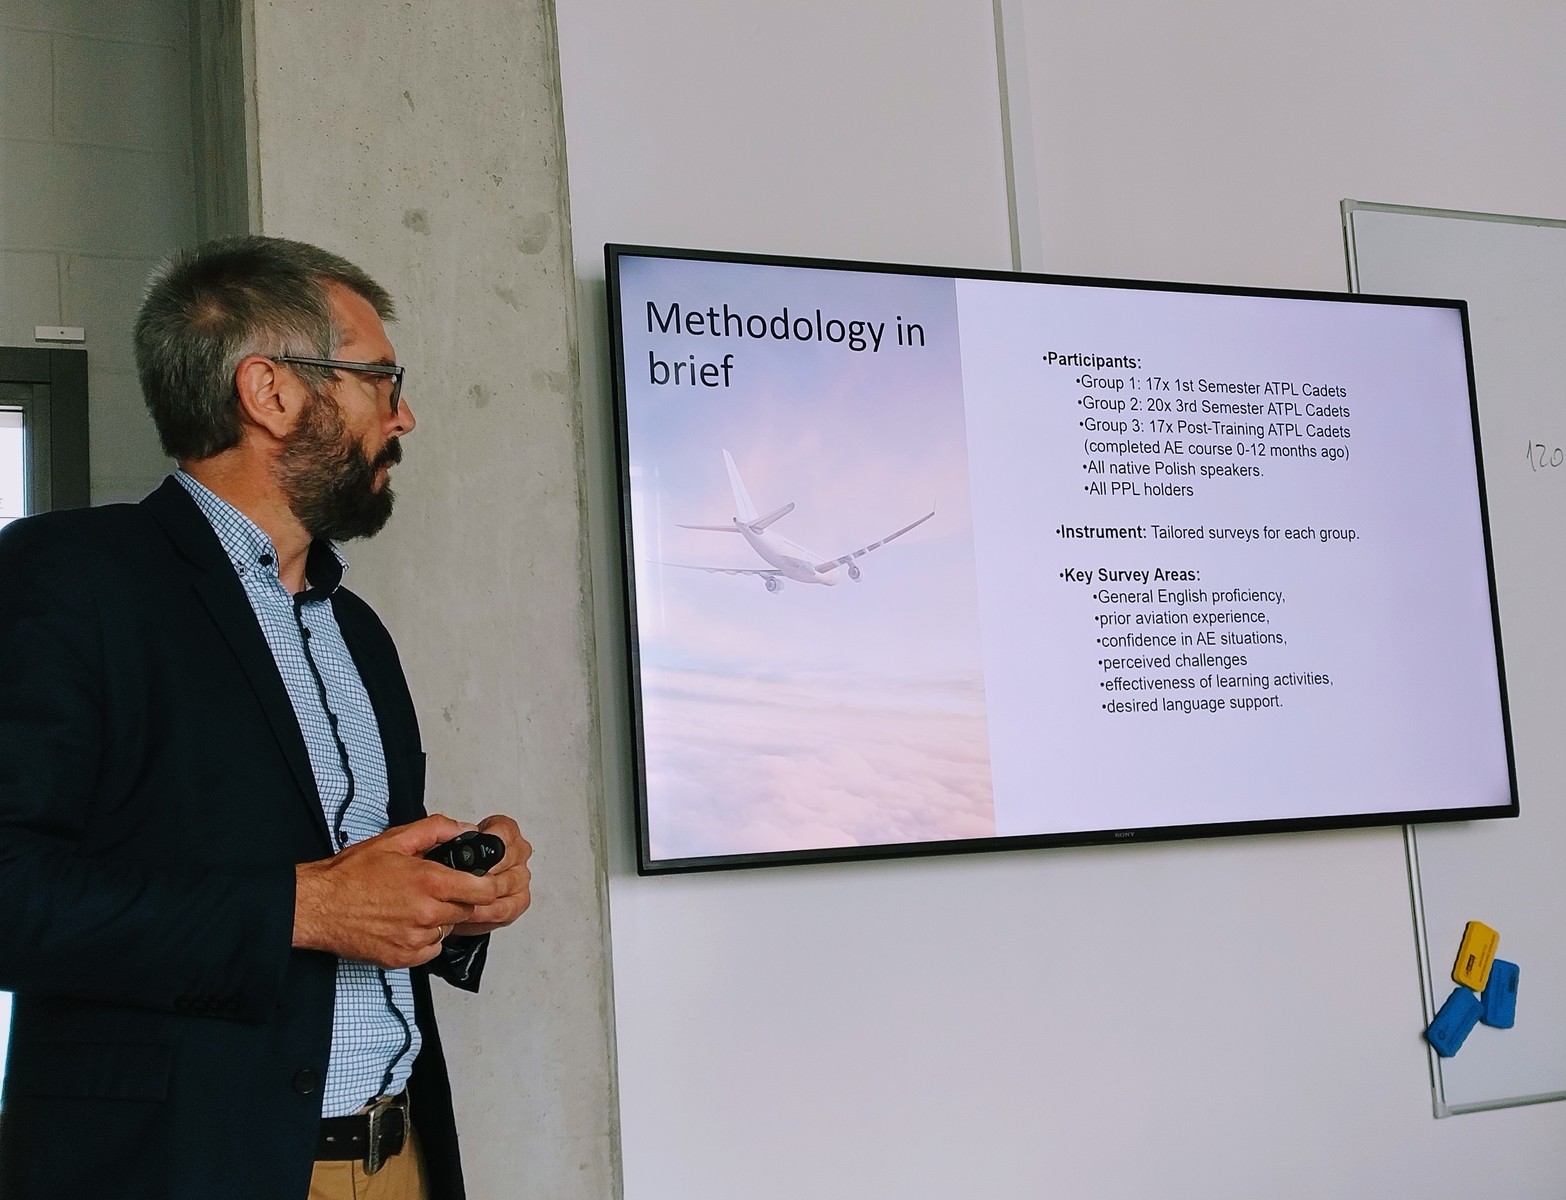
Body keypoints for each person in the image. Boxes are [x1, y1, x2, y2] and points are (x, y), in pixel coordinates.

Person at [0, 235, 531, 1199]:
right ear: (271, 392)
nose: (402, 414)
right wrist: (304, 909)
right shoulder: (66, 579)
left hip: (400, 1159)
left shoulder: (354, 627)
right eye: (379, 379)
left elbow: (359, 890)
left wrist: (451, 895)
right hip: (186, 1172)